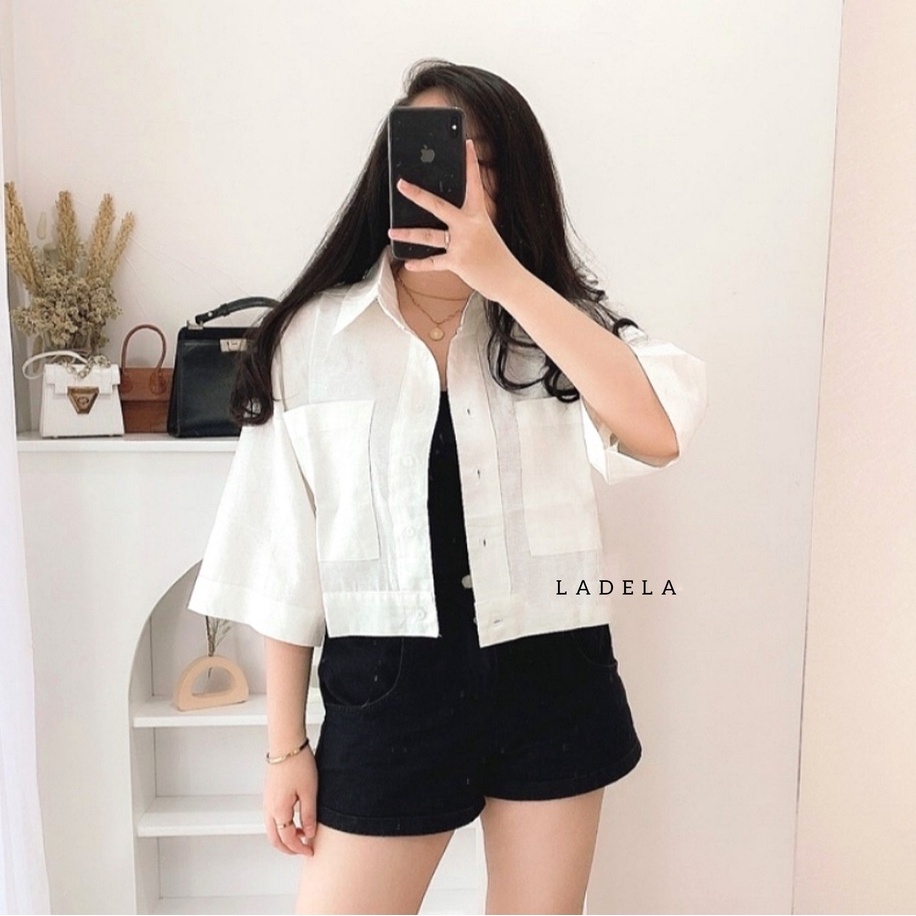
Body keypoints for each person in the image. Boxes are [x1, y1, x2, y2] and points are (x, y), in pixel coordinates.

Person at [187, 58, 707, 915]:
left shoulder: (561, 329)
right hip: (386, 690)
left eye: (486, 166)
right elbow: (283, 556)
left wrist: (504, 277)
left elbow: (657, 431)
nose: (457, 185)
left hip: (552, 672)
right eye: (433, 155)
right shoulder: (315, 341)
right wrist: (285, 748)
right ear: (390, 171)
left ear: (518, 185)